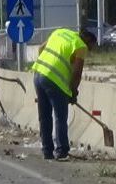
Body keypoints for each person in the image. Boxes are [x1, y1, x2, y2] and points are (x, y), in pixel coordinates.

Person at [30, 28, 96, 161]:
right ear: (88, 41)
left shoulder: (60, 32)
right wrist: (73, 92)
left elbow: (41, 48)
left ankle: (47, 150)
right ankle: (62, 151)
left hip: (38, 74)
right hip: (54, 80)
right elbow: (77, 73)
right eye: (91, 47)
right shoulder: (80, 46)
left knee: (44, 116)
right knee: (60, 116)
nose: (89, 50)